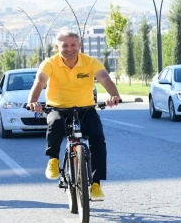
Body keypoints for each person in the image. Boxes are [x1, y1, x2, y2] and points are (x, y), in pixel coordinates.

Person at [26, 30, 120, 201]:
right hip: (58, 108)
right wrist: (33, 101)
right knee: (55, 124)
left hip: (86, 109)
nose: (70, 48)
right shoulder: (50, 63)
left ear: (79, 46)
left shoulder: (90, 62)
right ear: (57, 47)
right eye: (65, 45)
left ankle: (96, 184)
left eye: (73, 45)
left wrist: (114, 95)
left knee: (98, 138)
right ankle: (53, 159)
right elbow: (39, 82)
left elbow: (105, 78)